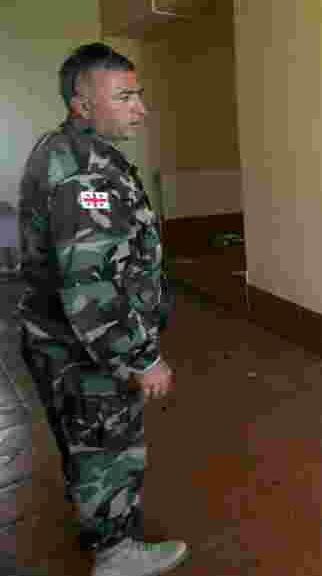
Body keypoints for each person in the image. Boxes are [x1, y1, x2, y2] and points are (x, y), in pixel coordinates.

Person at [17, 43, 187, 576]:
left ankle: (102, 531)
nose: (140, 108)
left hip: (61, 343)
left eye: (139, 95)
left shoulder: (76, 152)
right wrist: (141, 358)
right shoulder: (81, 173)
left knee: (87, 446)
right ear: (82, 104)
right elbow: (89, 288)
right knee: (106, 450)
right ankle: (116, 554)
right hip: (84, 352)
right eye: (125, 96)